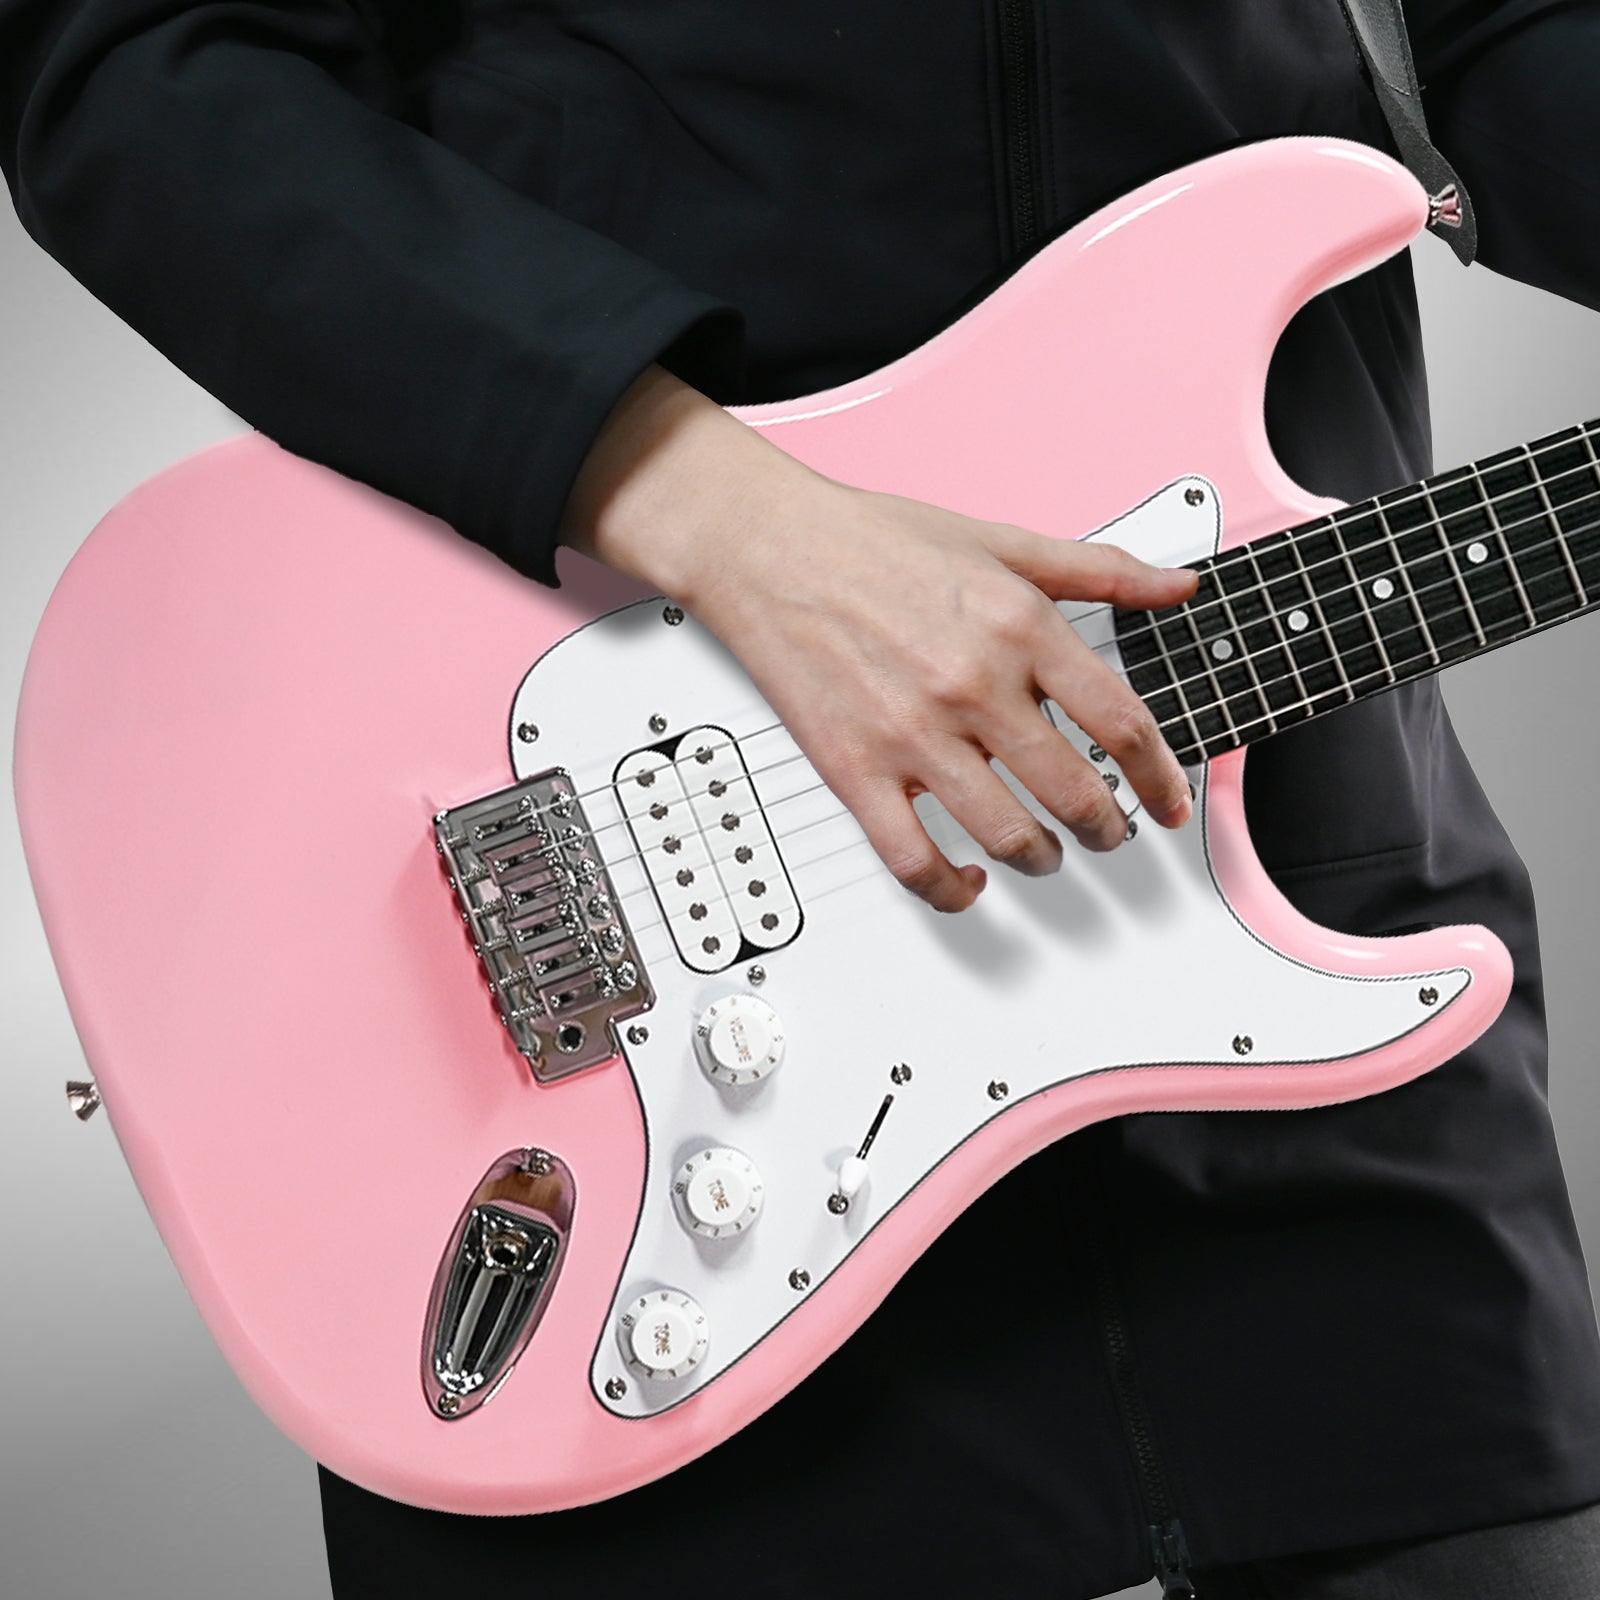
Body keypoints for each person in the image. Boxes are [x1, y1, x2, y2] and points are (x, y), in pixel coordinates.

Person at [4, 0, 1600, 1594]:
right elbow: (131, 66)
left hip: (1301, 932)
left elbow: (1481, 32)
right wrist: (717, 513)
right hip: (633, 983)